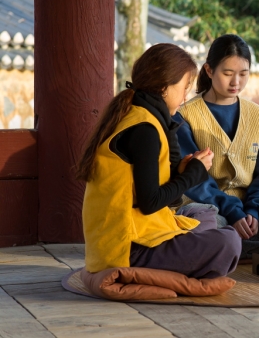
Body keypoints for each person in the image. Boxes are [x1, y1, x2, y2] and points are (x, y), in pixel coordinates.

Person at [78, 43, 242, 279]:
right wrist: (194, 173)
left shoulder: (139, 116)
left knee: (205, 214)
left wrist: (181, 169)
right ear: (165, 86)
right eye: (184, 87)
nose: (185, 97)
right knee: (229, 240)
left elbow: (171, 199)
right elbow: (150, 202)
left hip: (132, 235)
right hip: (127, 249)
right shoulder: (144, 130)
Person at [174, 34, 259, 256]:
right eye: (227, 74)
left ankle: (226, 248)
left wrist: (253, 214)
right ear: (209, 71)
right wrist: (232, 212)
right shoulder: (185, 117)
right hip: (208, 210)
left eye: (243, 74)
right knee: (203, 224)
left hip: (250, 216)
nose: (235, 82)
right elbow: (192, 180)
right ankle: (244, 248)